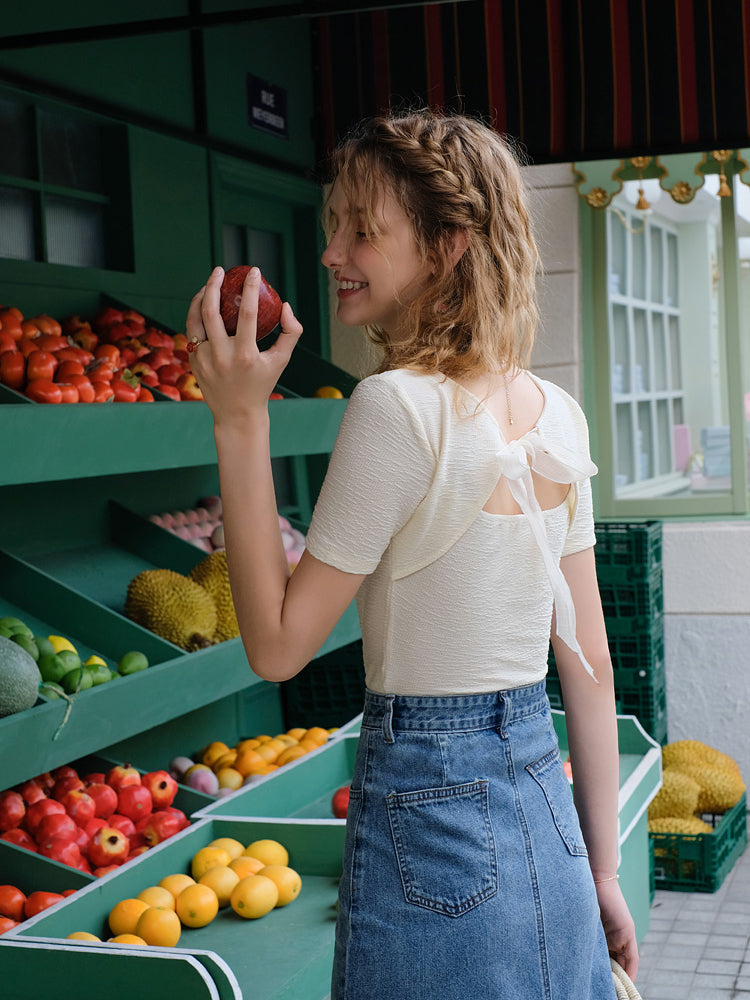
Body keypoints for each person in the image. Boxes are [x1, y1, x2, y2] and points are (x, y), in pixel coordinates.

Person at [186, 108, 638, 999]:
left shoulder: (396, 406)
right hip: (544, 794)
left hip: (430, 808)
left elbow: (278, 647)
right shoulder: (558, 413)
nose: (331, 253)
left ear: (447, 244)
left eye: (362, 229)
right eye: (331, 228)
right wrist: (605, 870)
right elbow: (587, 660)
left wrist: (240, 419)